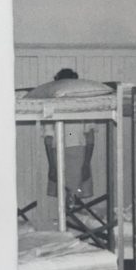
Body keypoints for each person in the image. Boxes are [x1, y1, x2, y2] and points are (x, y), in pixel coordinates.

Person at [43, 68, 95, 201]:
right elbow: (48, 140)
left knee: (76, 194)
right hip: (58, 153)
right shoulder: (51, 106)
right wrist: (52, 166)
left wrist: (86, 164)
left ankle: (76, 220)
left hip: (78, 153)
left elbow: (90, 138)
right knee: (63, 194)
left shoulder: (84, 105)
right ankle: (65, 221)